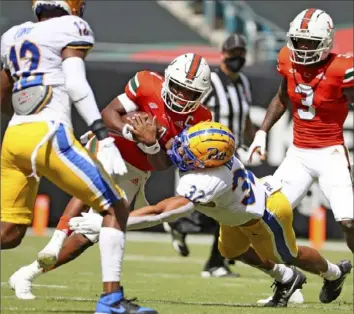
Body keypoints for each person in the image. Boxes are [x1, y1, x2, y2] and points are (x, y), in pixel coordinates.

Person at [70, 121, 352, 307]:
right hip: (235, 213)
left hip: (265, 215)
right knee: (231, 250)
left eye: (190, 152)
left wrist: (113, 224)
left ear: (207, 161)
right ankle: (286, 279)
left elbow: (162, 212)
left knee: (290, 255)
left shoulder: (206, 179)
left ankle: (333, 273)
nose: (181, 151)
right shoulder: (213, 159)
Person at [9, 53, 213, 300]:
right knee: (96, 182)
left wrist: (151, 145)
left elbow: (161, 165)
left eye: (190, 93)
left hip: (138, 168)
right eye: (179, 88)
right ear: (168, 80)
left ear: (201, 95)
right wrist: (131, 131)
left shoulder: (201, 119)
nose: (182, 96)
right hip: (112, 146)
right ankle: (56, 239)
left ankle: (27, 273)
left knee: (90, 236)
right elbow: (109, 113)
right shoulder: (147, 82)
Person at [0, 1, 158, 313]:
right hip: (48, 134)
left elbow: (3, 93)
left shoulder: (12, 34)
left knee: (9, 232)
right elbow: (75, 83)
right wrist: (102, 135)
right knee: (116, 204)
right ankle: (111, 301)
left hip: (14, 136)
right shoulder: (70, 27)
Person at [247, 9, 354, 251]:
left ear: (326, 41)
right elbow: (281, 97)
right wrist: (262, 132)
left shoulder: (341, 68)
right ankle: (286, 278)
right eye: (299, 41)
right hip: (298, 155)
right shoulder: (286, 58)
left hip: (330, 154)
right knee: (268, 215)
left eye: (310, 42)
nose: (303, 48)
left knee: (348, 222)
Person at [164, 33, 257, 278]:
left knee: (230, 209)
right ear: (223, 53)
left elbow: (245, 118)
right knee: (215, 209)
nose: (237, 57)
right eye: (233, 53)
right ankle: (183, 228)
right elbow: (189, 110)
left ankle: (213, 259)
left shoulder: (243, 83)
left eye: (241, 53)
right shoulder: (211, 81)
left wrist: (257, 139)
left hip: (231, 155)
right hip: (206, 154)